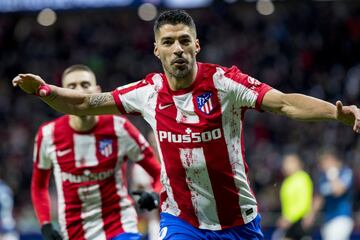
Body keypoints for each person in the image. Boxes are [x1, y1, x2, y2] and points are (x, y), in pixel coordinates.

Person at [12, 10, 360, 240]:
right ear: (156, 51)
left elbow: (284, 102)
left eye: (183, 41)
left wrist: (337, 113)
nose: (177, 49)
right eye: (168, 42)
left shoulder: (225, 83)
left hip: (238, 220)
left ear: (196, 45)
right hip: (182, 222)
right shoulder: (146, 92)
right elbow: (87, 102)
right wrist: (43, 90)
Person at [30, 65, 161, 240]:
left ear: (97, 90)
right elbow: (39, 186)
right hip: (74, 231)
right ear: (61, 93)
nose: (79, 91)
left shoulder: (119, 127)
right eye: (71, 87)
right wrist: (45, 223)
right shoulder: (48, 135)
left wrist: (155, 193)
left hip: (120, 227)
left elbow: (158, 172)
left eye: (85, 85)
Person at [303, 149, 354, 240]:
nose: (322, 166)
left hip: (341, 218)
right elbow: (319, 197)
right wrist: (310, 215)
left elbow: (338, 191)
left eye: (323, 162)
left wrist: (332, 172)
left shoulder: (345, 172)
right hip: (327, 220)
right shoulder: (323, 177)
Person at [273, 154, 313, 240]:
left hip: (298, 221)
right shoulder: (287, 181)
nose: (285, 165)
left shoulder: (302, 178)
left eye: (288, 162)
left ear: (297, 163)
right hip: (289, 222)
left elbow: (303, 203)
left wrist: (289, 218)